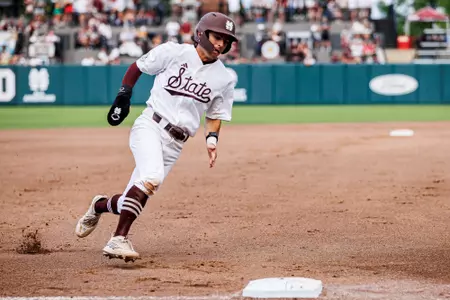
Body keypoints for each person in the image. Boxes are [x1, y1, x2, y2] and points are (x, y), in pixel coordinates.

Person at [75, 12, 238, 262]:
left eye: (226, 40)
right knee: (152, 177)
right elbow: (137, 67)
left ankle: (99, 205)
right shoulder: (174, 52)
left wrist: (212, 140)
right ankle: (118, 239)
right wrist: (124, 94)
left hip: (176, 144)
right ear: (201, 34)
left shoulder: (224, 78)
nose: (221, 44)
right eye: (218, 37)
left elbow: (215, 113)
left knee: (135, 195)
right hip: (151, 125)